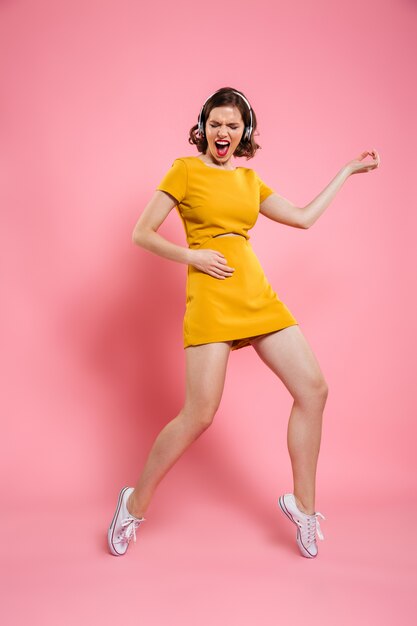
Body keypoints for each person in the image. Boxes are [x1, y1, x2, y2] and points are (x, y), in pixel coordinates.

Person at [107, 86, 380, 558]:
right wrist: (193, 254)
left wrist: (346, 172)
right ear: (203, 127)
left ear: (244, 132)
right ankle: (133, 503)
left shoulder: (250, 181)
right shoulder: (185, 170)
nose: (223, 132)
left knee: (313, 390)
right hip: (212, 298)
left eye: (233, 125)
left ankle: (303, 506)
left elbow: (302, 218)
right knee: (199, 414)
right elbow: (141, 233)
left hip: (257, 296)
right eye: (216, 124)